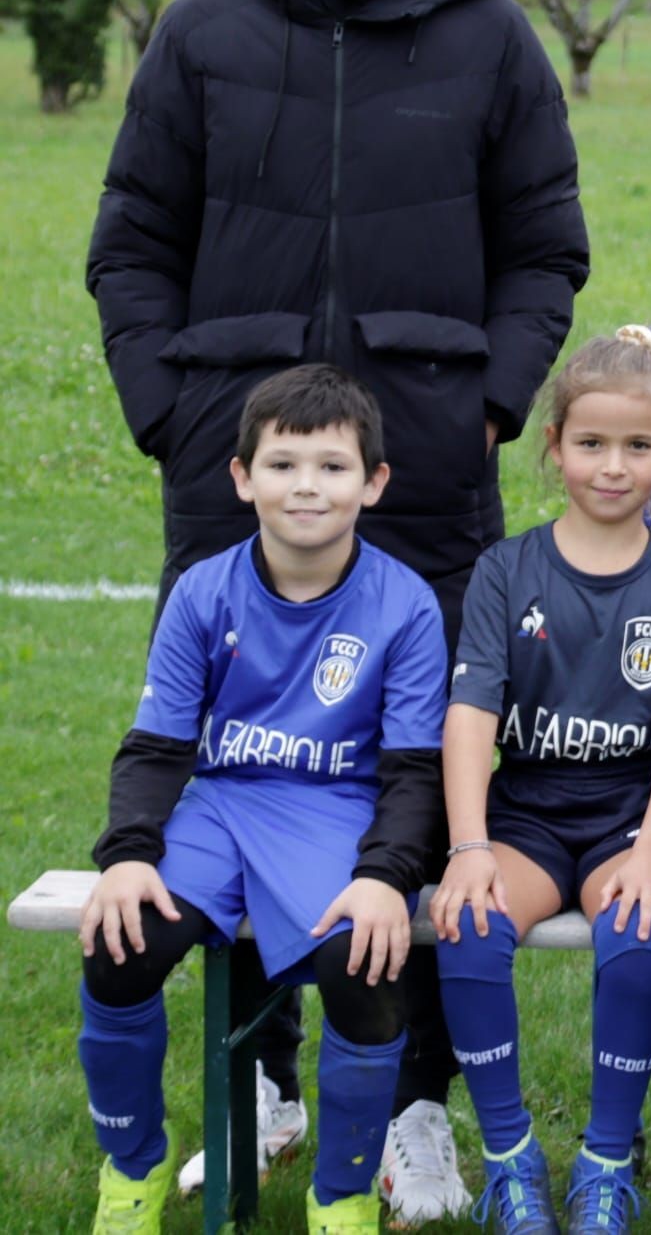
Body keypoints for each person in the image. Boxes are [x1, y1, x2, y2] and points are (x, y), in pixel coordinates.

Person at [83, 0, 589, 1215]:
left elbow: (546, 249)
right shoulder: (203, 33)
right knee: (236, 758)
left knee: (417, 771)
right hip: (233, 474)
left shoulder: (494, 41)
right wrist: (168, 414)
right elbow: (129, 242)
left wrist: (486, 407)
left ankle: (417, 1091)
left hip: (426, 482)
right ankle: (264, 1075)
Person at [76, 365, 446, 1235]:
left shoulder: (406, 604)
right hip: (223, 808)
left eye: (331, 465)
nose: (306, 486)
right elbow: (159, 745)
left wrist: (387, 874)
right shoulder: (204, 590)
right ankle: (133, 1167)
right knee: (119, 945)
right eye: (282, 464)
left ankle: (343, 1193)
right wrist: (129, 853)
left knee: (362, 959)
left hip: (338, 812)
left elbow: (413, 770)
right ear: (242, 478)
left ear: (374, 483)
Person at [428, 326, 651, 1234]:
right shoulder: (506, 567)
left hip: (638, 818)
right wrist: (470, 847)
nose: (612, 465)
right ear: (553, 446)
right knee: (468, 920)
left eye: (638, 446)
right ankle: (512, 1159)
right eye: (591, 443)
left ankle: (605, 1161)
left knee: (636, 924)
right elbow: (471, 715)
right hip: (527, 815)